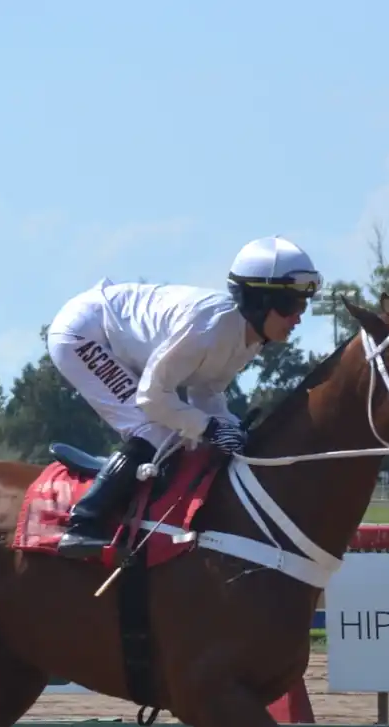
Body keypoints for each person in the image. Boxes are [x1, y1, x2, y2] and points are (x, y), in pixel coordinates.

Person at [44, 235, 323, 560]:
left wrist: (229, 429)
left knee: (184, 433)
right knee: (156, 430)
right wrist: (212, 429)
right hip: (83, 334)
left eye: (303, 305)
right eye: (290, 306)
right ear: (259, 302)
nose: (298, 317)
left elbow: (205, 391)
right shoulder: (208, 329)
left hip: (113, 338)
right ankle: (83, 524)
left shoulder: (249, 338)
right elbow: (153, 396)